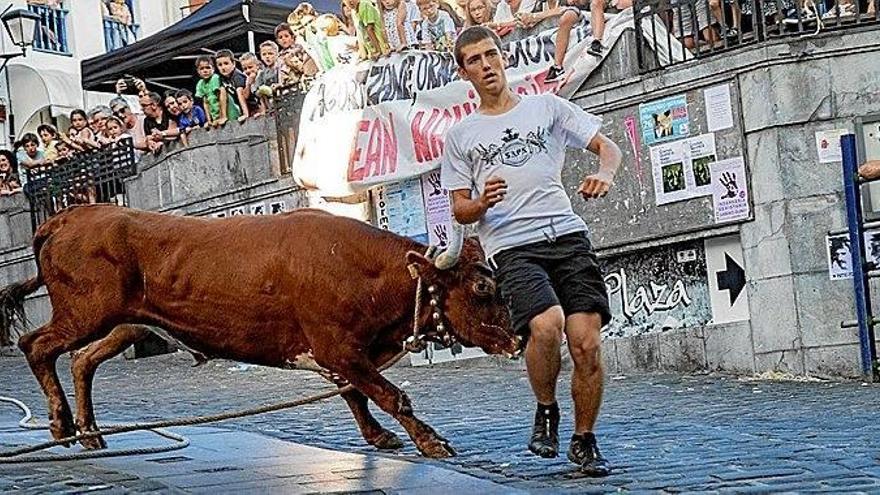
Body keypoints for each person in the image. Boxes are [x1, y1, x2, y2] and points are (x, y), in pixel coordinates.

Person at [440, 26, 622, 476]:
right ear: (465, 73)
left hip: (567, 235)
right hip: (513, 245)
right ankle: (546, 407)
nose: (486, 65)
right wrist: (481, 202)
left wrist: (606, 173)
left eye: (491, 55)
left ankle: (584, 440)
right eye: (475, 60)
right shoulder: (462, 135)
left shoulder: (546, 107)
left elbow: (607, 146)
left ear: (503, 58)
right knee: (546, 325)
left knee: (586, 344)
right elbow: (460, 210)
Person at [215, 49, 252, 122]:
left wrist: (245, 114)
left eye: (226, 63)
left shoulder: (237, 76)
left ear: (233, 63)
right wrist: (223, 116)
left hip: (252, 106)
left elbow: (240, 94)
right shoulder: (222, 78)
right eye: (220, 65)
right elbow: (223, 96)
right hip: (241, 107)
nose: (223, 67)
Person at [194, 55, 231, 127]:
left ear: (213, 69)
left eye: (208, 67)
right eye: (202, 69)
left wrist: (222, 117)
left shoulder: (215, 78)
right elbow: (205, 103)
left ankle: (223, 117)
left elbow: (220, 98)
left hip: (226, 112)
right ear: (198, 71)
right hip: (214, 116)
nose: (205, 70)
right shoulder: (200, 83)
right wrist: (209, 120)